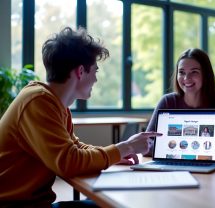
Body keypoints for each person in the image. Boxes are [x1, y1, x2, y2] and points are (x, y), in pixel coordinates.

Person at [0, 27, 161, 207]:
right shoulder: (38, 102)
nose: (96, 79)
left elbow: (74, 147)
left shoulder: (56, 104)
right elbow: (70, 162)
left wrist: (116, 153)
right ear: (81, 71)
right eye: (95, 71)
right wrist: (126, 147)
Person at [145, 48, 215, 158]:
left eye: (194, 72)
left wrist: (168, 149)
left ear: (206, 75)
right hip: (171, 166)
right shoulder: (167, 101)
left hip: (205, 165)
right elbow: (146, 143)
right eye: (181, 72)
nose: (186, 78)